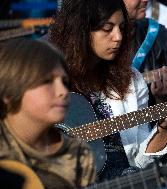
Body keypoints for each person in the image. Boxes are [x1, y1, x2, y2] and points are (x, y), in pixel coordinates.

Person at [50, 0, 167, 181]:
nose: (118, 36)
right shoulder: (49, 76)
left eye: (121, 27)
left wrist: (165, 126)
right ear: (81, 30)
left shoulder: (131, 80)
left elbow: (140, 162)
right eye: (107, 28)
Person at [0, 38, 96, 188]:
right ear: (9, 92)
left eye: (64, 81)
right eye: (46, 81)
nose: (63, 92)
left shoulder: (79, 155)